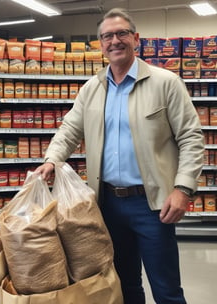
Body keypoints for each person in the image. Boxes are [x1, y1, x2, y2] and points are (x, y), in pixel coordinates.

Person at [35, 7, 205, 304]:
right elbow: (69, 129)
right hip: (107, 204)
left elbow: (191, 138)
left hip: (153, 205)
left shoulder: (166, 83)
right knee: (124, 285)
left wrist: (182, 189)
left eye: (121, 33)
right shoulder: (92, 88)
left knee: (166, 289)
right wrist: (52, 158)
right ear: (100, 45)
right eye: (107, 36)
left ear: (135, 38)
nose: (115, 41)